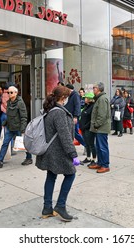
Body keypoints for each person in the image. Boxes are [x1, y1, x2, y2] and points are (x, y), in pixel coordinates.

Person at [35, 85, 80, 222]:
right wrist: (73, 154)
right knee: (70, 174)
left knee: (51, 176)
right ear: (63, 98)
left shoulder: (49, 110)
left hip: (49, 151)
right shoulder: (59, 113)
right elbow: (65, 135)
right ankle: (60, 205)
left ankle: (47, 208)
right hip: (58, 152)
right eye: (67, 97)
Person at [0, 85, 32, 168]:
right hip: (10, 127)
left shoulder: (20, 103)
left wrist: (23, 128)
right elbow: (9, 114)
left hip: (18, 128)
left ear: (16, 93)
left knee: (24, 143)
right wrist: (5, 123)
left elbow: (24, 116)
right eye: (8, 92)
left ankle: (29, 158)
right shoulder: (9, 102)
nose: (9, 94)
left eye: (11, 92)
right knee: (5, 143)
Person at [89, 82, 111, 173]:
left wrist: (96, 124)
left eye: (94, 87)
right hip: (99, 127)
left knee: (102, 147)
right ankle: (100, 163)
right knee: (99, 146)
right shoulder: (99, 98)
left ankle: (105, 165)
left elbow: (102, 115)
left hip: (101, 127)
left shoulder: (102, 99)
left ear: (99, 89)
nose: (93, 89)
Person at [64, 84, 86, 153]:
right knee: (71, 133)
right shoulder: (70, 96)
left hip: (73, 117)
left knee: (75, 133)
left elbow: (77, 106)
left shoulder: (75, 95)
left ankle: (86, 145)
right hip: (69, 117)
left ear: (69, 89)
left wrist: (76, 116)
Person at [79, 92, 97, 165]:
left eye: (86, 98)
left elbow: (92, 119)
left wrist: (85, 126)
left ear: (90, 99)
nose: (85, 99)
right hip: (83, 128)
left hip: (88, 128)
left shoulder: (93, 107)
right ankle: (88, 157)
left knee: (91, 144)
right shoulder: (86, 106)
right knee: (87, 144)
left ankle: (94, 159)